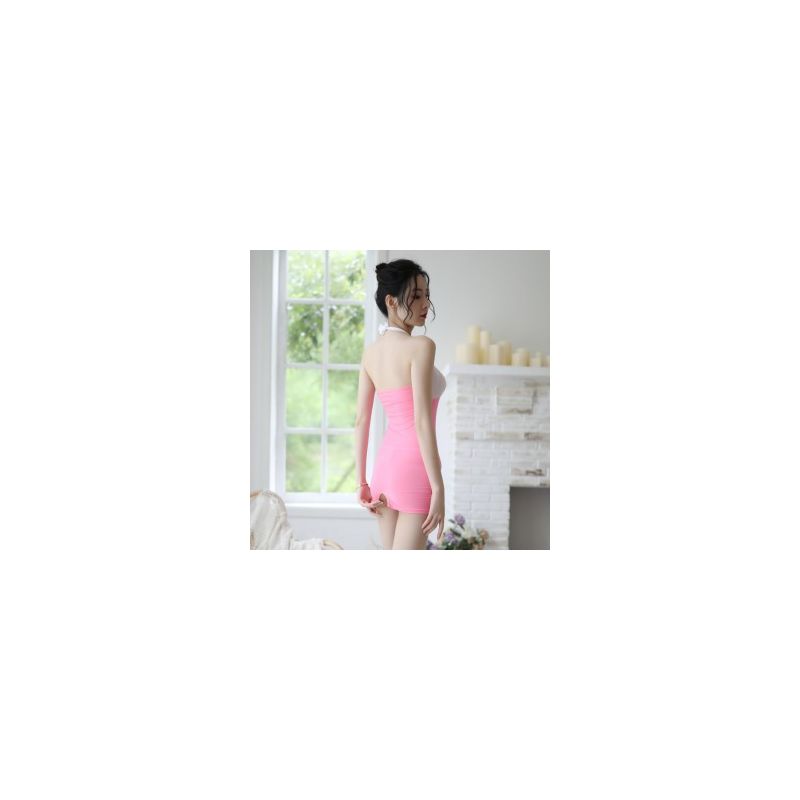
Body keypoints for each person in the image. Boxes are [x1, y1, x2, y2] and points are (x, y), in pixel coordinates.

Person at [354, 259, 447, 549]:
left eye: (426, 294)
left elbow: (361, 421)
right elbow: (421, 421)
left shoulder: (370, 354)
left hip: (385, 468)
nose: (425, 303)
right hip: (415, 468)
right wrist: (438, 487)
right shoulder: (422, 346)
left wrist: (362, 482)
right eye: (416, 296)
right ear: (391, 301)